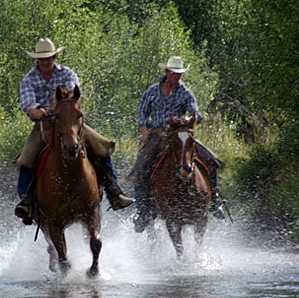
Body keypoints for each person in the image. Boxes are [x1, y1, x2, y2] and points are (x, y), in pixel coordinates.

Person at [14, 38, 133, 225]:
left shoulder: (67, 73)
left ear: (54, 57)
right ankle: (26, 200)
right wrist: (35, 111)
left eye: (49, 58)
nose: (46, 62)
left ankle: (114, 190)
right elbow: (27, 104)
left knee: (101, 146)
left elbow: (72, 95)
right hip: (43, 125)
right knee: (27, 157)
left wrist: (57, 107)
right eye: (42, 59)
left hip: (70, 121)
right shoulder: (29, 79)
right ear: (37, 60)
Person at [131, 56, 225, 233]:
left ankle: (215, 201)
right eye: (174, 73)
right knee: (141, 167)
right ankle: (142, 210)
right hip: (158, 135)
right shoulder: (152, 91)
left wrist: (191, 119)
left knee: (211, 160)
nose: (177, 77)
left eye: (179, 74)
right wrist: (144, 131)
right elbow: (142, 112)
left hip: (181, 133)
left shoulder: (185, 92)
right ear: (167, 72)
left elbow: (196, 112)